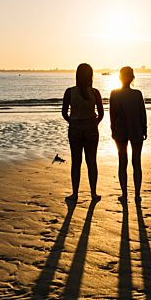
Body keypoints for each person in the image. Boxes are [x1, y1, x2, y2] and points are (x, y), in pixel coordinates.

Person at [61, 63, 104, 203]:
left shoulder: (70, 91)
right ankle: (93, 193)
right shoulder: (94, 92)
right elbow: (102, 113)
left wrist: (72, 121)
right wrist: (94, 122)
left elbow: (64, 112)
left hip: (75, 129)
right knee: (92, 161)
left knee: (76, 162)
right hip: (91, 128)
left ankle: (75, 194)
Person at [110, 66, 147, 203]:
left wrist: (112, 129)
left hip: (120, 130)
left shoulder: (114, 93)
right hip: (136, 129)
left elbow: (112, 115)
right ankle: (137, 195)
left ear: (120, 77)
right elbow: (142, 113)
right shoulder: (137, 94)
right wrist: (145, 128)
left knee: (122, 162)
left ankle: (124, 194)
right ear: (132, 78)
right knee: (136, 162)